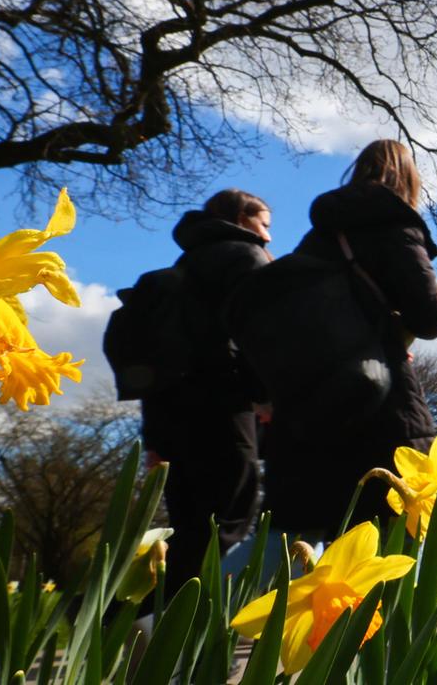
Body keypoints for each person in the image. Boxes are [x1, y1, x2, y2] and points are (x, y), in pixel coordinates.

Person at [261, 140, 437, 540]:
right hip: (380, 400)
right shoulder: (394, 225)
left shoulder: (318, 238)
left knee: (305, 536)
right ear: (408, 178)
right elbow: (431, 317)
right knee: (391, 539)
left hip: (311, 404)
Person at [142, 189, 272, 587]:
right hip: (225, 405)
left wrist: (153, 438)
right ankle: (146, 614)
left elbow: (155, 352)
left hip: (171, 413)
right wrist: (265, 394)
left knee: (190, 522)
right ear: (242, 218)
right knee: (228, 518)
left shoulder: (184, 263)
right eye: (264, 224)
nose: (267, 235)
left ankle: (140, 615)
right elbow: (256, 334)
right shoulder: (247, 258)